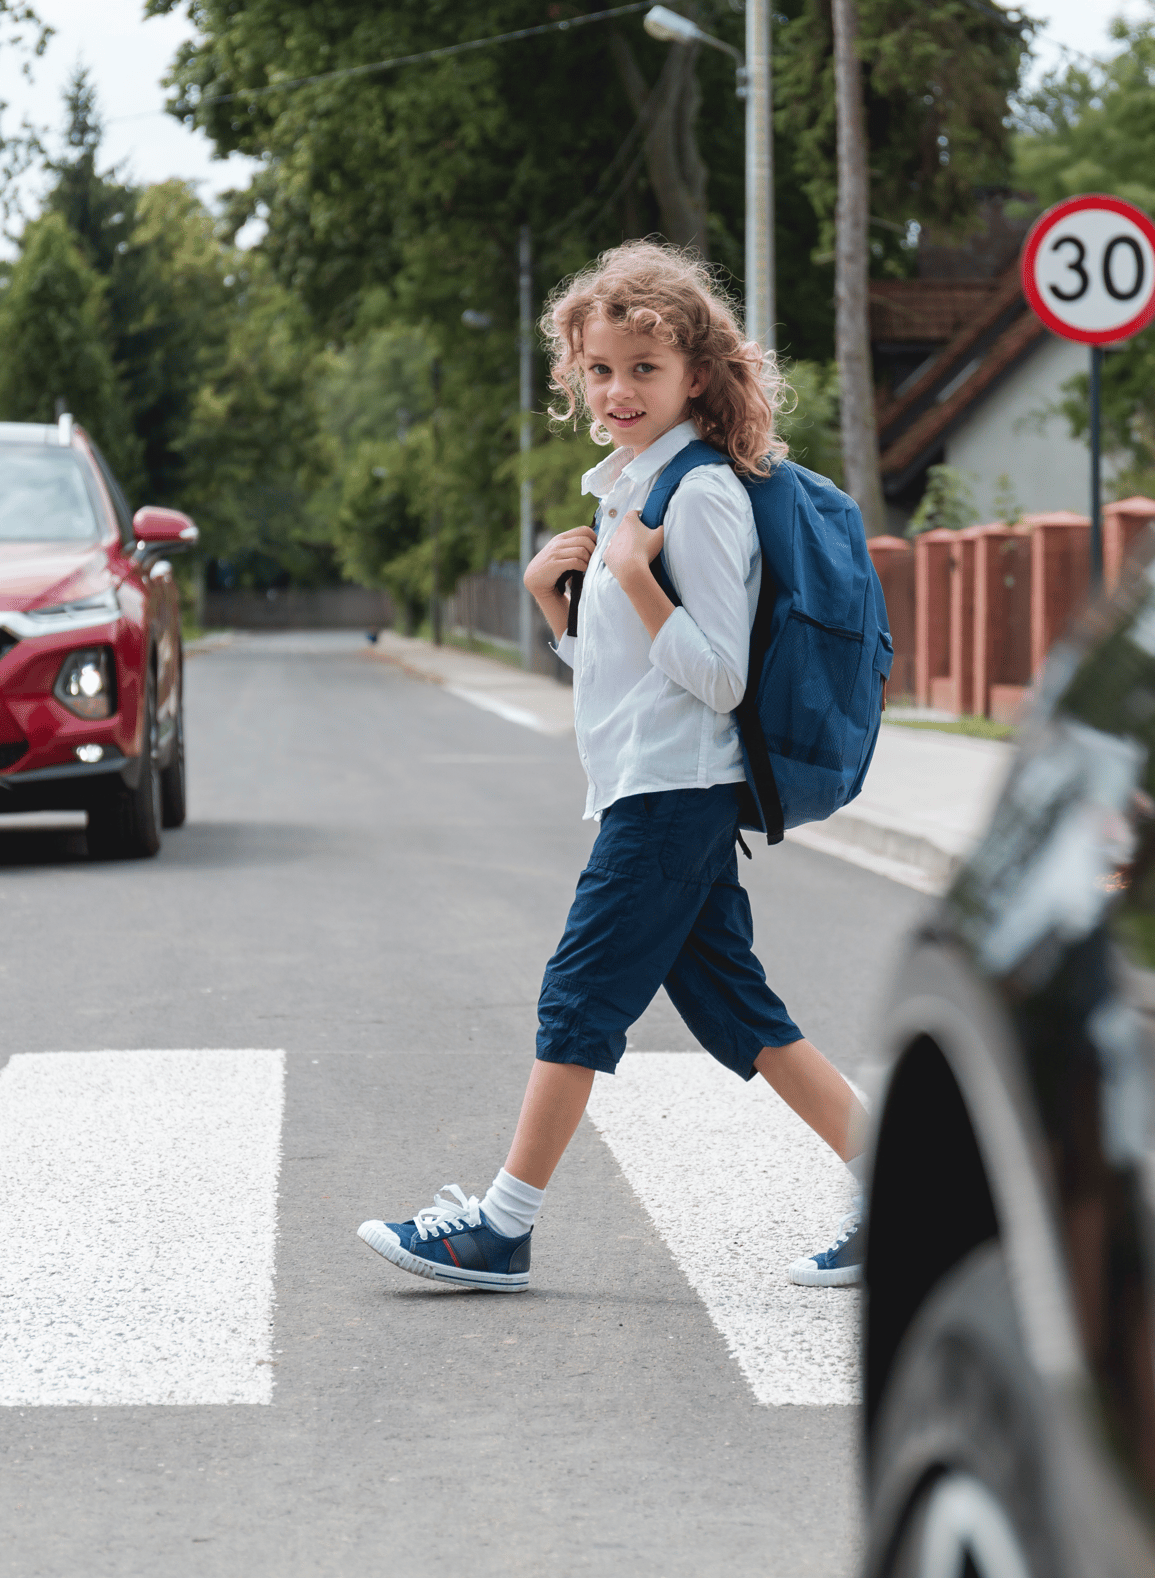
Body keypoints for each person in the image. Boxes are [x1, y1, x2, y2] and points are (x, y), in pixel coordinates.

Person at [357, 240, 867, 1293]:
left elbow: (718, 676)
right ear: (572, 374)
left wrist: (634, 579)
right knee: (743, 1014)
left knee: (576, 998)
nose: (619, 389)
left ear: (695, 374)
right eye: (599, 369)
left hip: (674, 798)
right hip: (653, 784)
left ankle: (502, 1225)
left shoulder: (702, 494)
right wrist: (561, 611)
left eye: (644, 368)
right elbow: (637, 679)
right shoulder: (629, 490)